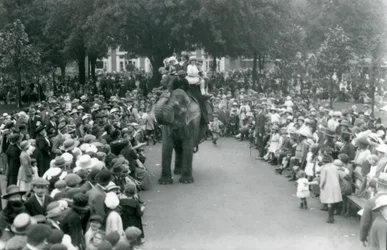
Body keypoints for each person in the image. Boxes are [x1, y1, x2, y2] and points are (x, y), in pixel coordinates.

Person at [360, 173, 387, 247]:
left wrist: (363, 237)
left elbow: (365, 222)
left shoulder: (371, 201)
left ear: (377, 186)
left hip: (375, 236)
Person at [320, 159, 343, 223]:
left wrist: (321, 186)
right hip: (335, 185)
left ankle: (330, 218)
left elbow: (323, 179)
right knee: (333, 201)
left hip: (328, 186)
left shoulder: (324, 168)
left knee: (329, 202)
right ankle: (331, 217)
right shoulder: (335, 167)